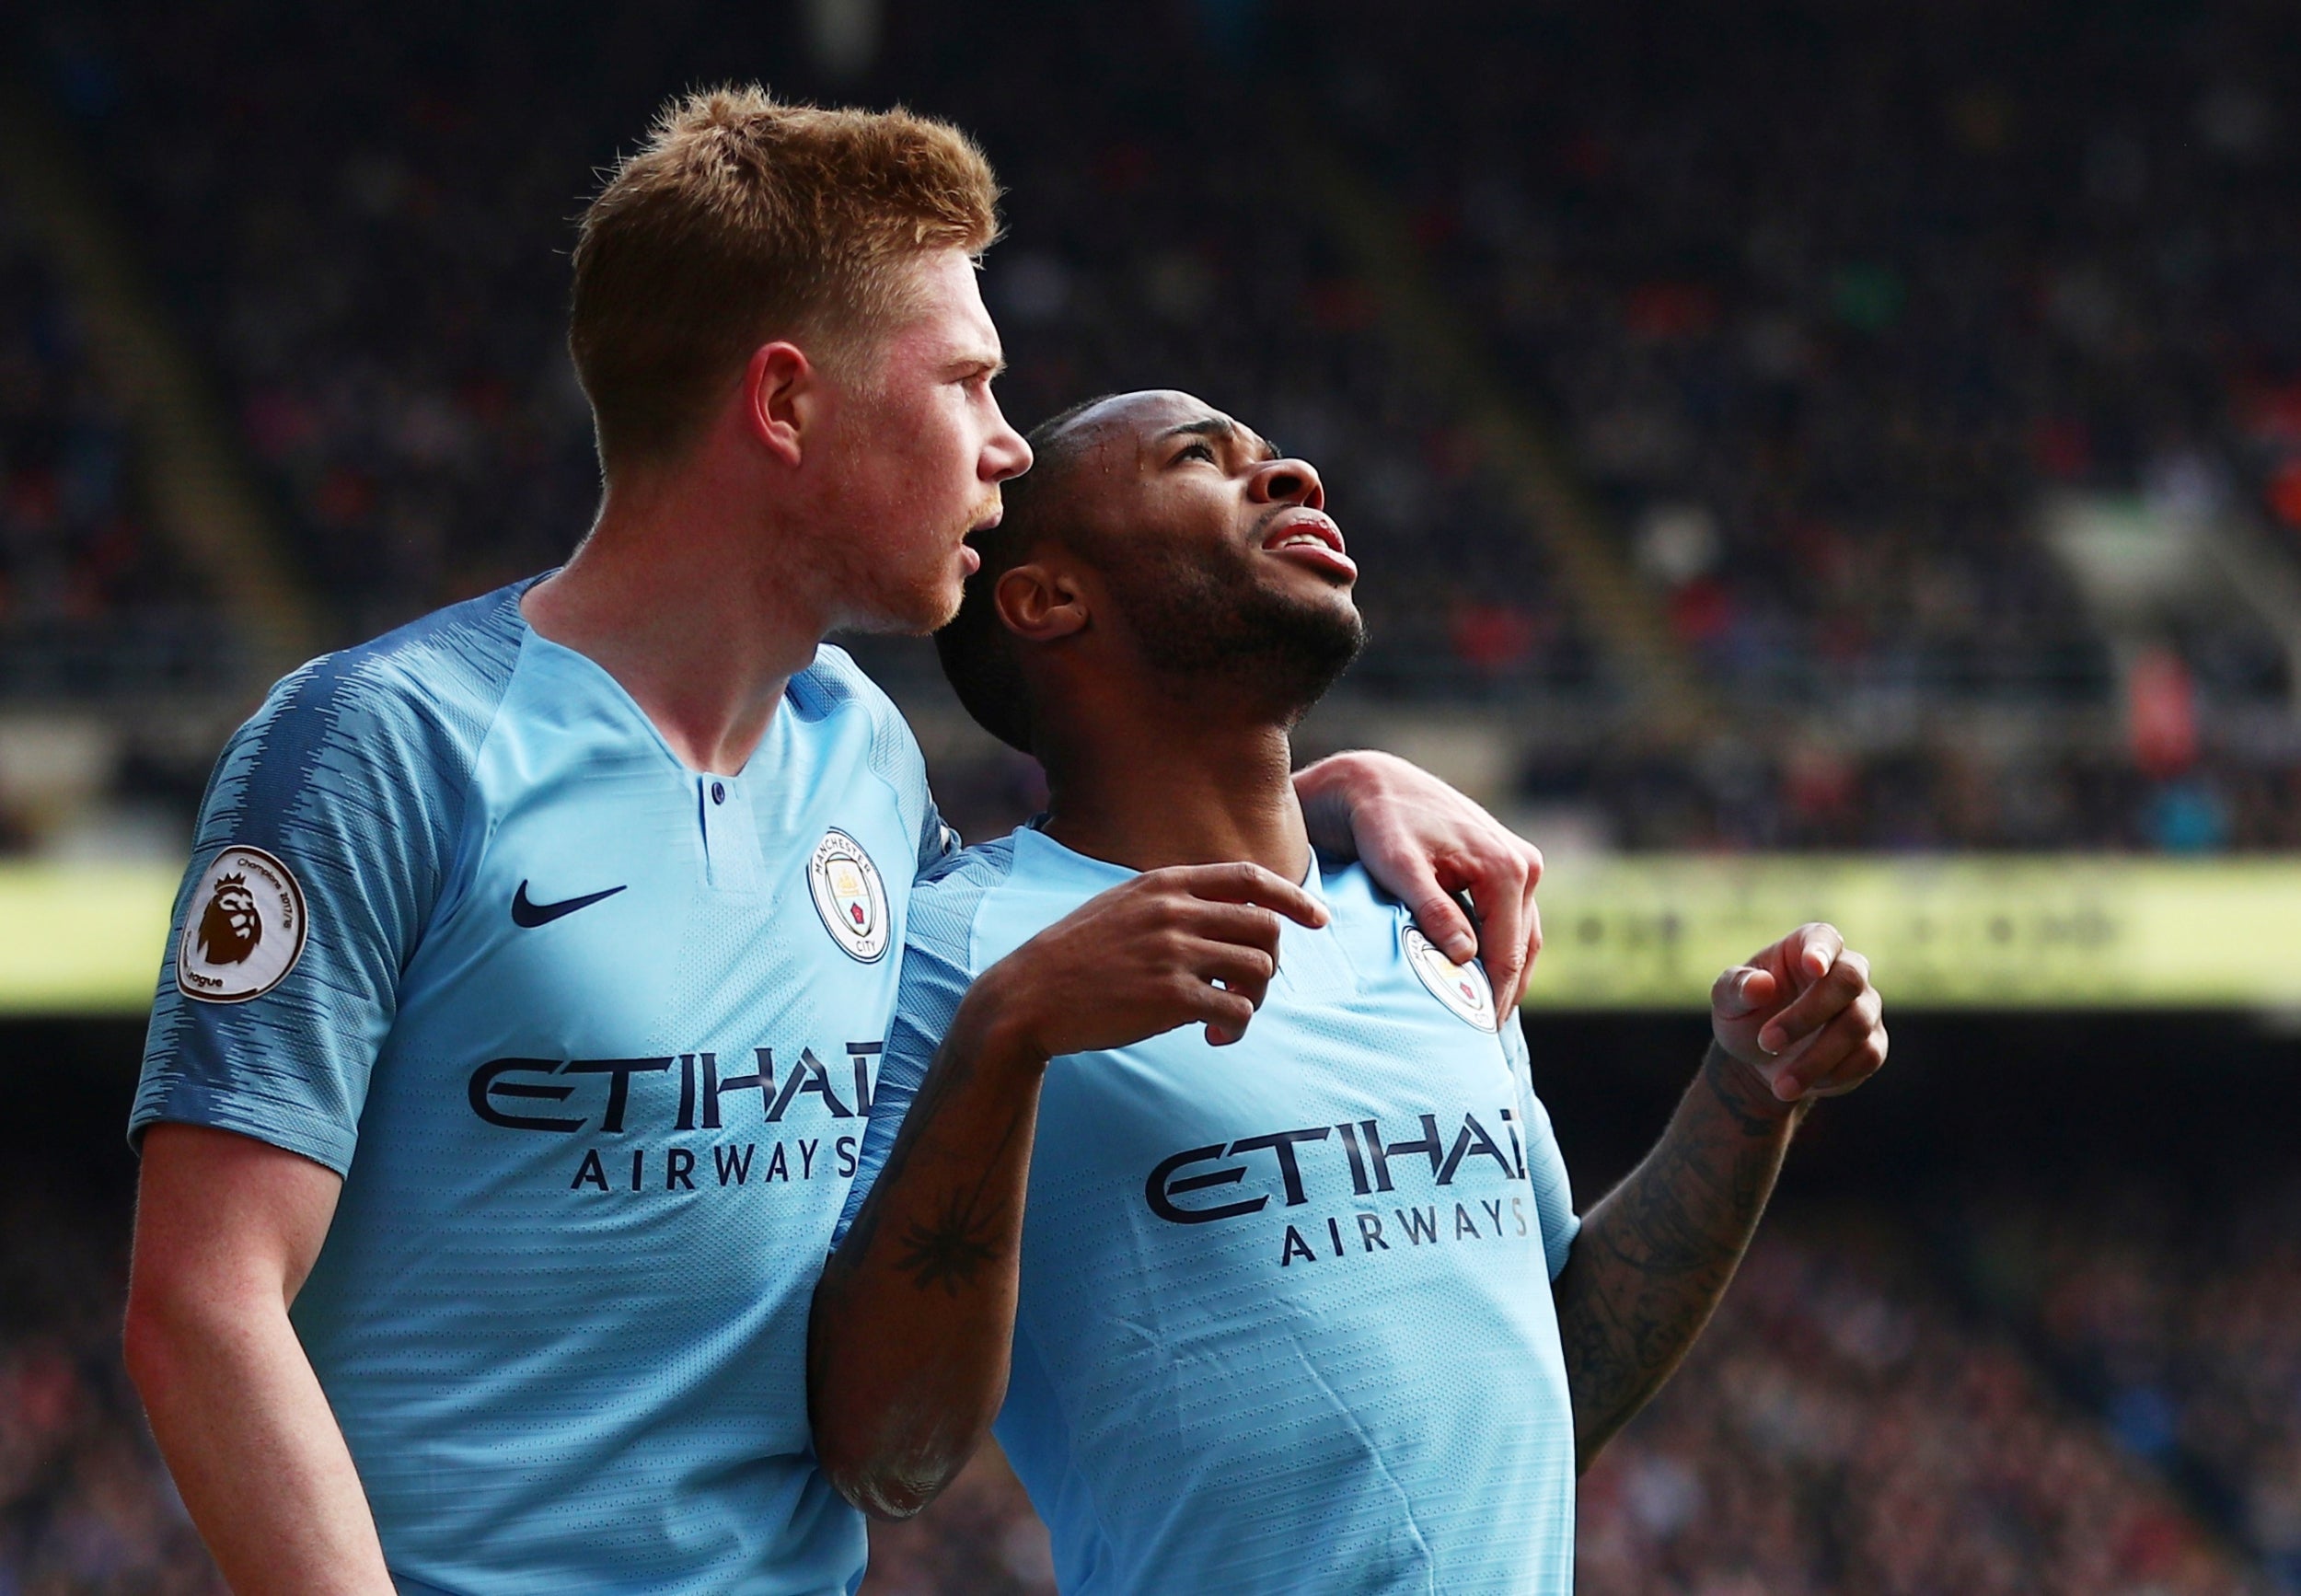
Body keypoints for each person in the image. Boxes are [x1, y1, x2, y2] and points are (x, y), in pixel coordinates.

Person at [119, 98, 1545, 1596]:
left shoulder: (857, 751)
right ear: (786, 405)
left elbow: (1052, 895)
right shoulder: (380, 746)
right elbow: (204, 1307)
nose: (1006, 451)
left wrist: (1334, 786)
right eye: (968, 385)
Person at [808, 390, 1891, 1593]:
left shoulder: (1430, 914)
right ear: (1050, 597)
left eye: (1274, 455)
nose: (1293, 475)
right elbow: (881, 1453)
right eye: (1201, 459)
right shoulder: (960, 954)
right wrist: (1004, 1037)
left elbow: (1549, 1388)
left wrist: (1746, 1095)